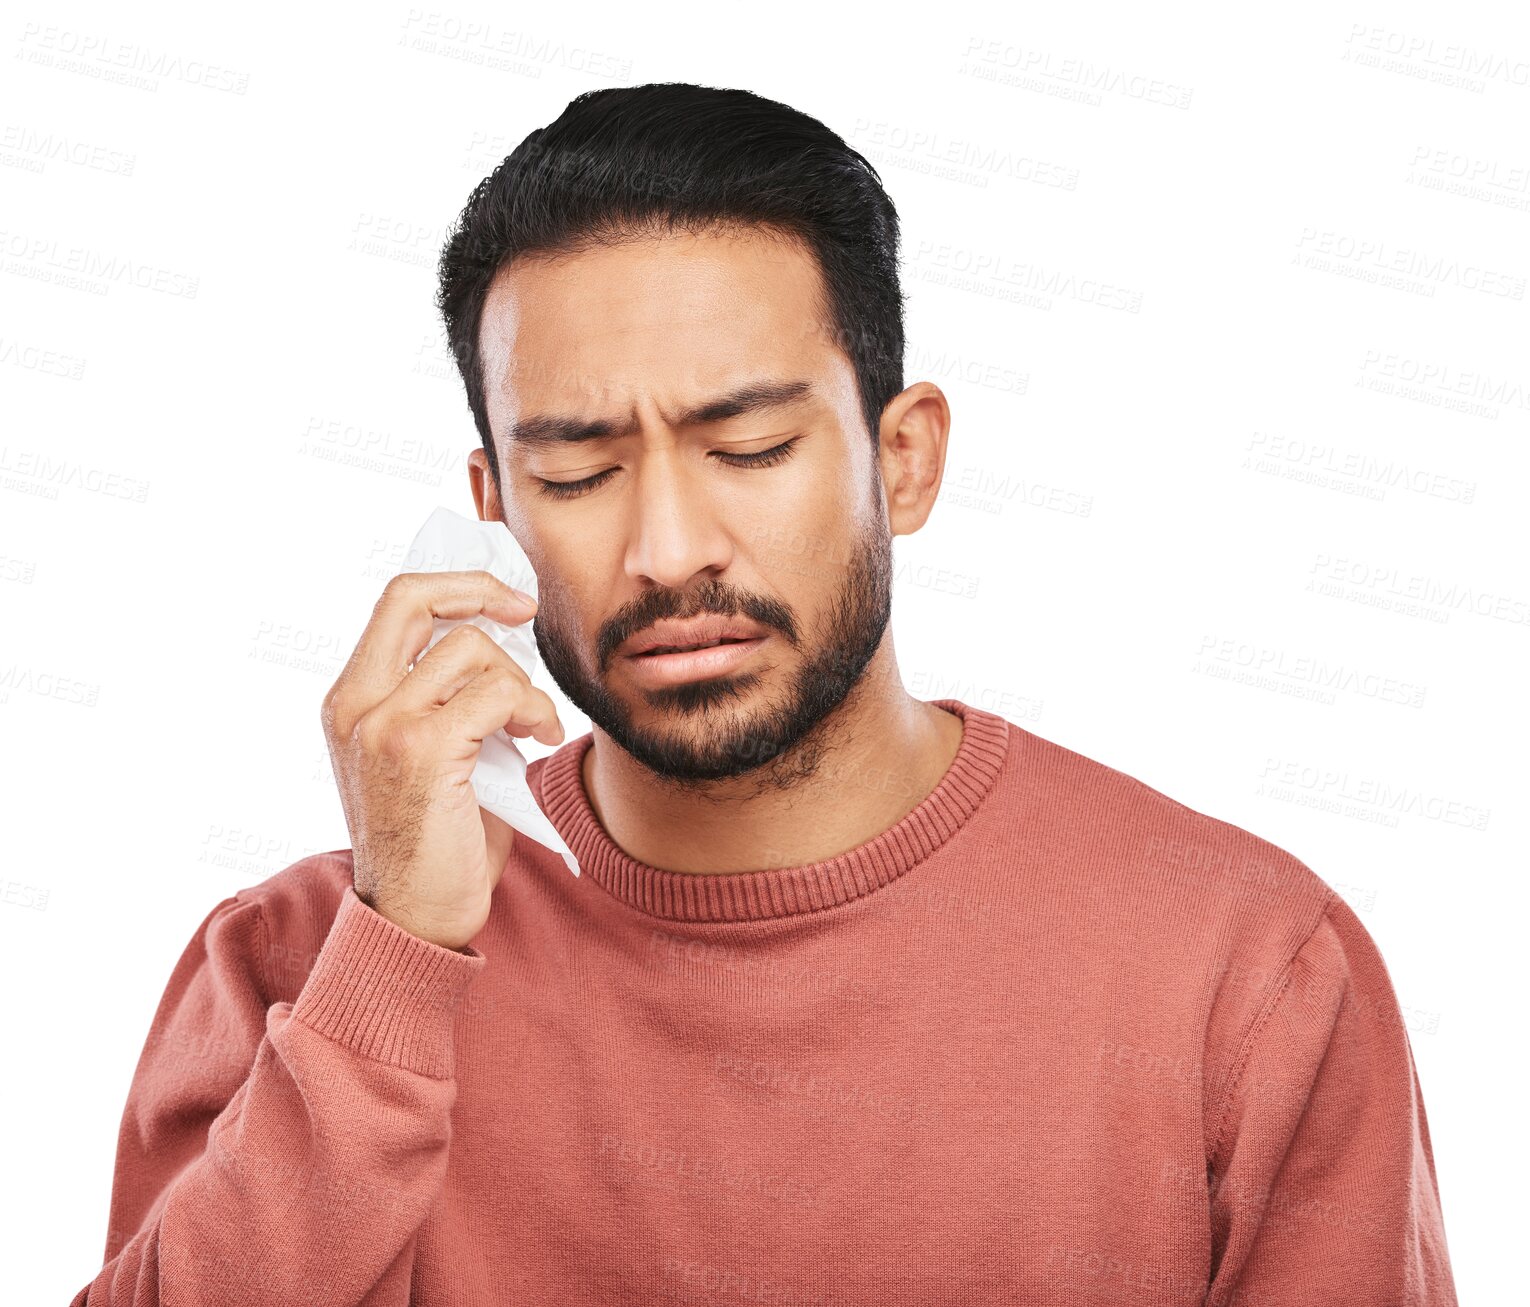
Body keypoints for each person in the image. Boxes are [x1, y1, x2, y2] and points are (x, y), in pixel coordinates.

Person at [74, 83, 1459, 1306]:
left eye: (745, 444)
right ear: (492, 509)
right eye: (574, 473)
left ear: (901, 458)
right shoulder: (301, 965)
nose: (667, 550)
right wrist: (393, 963)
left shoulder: (1246, 969)